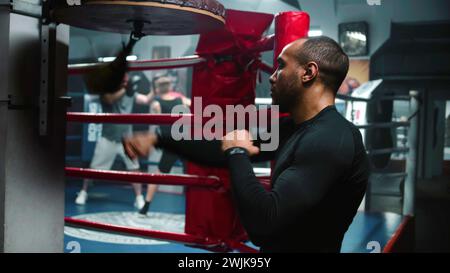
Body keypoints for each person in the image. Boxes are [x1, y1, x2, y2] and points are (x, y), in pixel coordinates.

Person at [122, 37, 370, 252]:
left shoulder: (330, 140)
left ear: (308, 72)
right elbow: (219, 151)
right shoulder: (294, 128)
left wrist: (238, 151)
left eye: (280, 67)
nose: (271, 77)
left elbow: (263, 223)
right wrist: (160, 139)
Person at [75, 73, 156, 210]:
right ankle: (84, 192)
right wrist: (126, 89)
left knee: (134, 169)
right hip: (108, 138)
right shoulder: (107, 90)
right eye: (123, 79)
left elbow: (146, 100)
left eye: (126, 79)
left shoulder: (131, 93)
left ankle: (138, 198)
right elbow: (110, 99)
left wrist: (154, 88)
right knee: (93, 169)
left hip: (127, 139)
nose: (125, 81)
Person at [139, 76, 191, 215]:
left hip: (172, 144)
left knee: (159, 174)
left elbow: (154, 117)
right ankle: (195, 207)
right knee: (192, 175)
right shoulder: (183, 101)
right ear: (170, 87)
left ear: (157, 89)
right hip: (187, 141)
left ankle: (146, 205)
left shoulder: (157, 105)